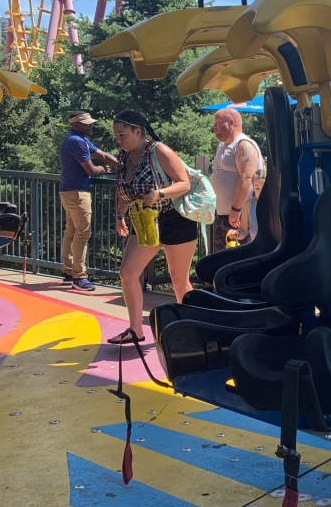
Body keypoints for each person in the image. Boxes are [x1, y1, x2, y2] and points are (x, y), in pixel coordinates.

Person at [108, 110, 197, 345]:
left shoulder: (158, 150)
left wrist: (160, 193)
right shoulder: (124, 156)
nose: (119, 140)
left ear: (138, 131)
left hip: (175, 218)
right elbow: (123, 190)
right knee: (127, 274)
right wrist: (120, 216)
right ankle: (135, 330)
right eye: (116, 136)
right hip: (144, 220)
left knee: (179, 279)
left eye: (122, 135)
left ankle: (192, 329)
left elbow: (184, 183)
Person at [58, 111, 119, 292]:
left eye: (91, 123)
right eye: (87, 124)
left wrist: (123, 166)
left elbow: (103, 155)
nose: (91, 126)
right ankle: (79, 276)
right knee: (82, 233)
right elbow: (91, 170)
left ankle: (69, 271)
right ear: (75, 125)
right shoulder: (76, 141)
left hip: (69, 191)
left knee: (71, 231)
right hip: (77, 192)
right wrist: (102, 169)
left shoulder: (79, 139)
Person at [210, 108, 264, 251]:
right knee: (221, 262)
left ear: (231, 122)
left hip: (239, 217)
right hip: (224, 214)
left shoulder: (244, 145)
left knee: (240, 261)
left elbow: (247, 179)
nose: (214, 127)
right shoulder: (223, 145)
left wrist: (236, 209)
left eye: (217, 123)